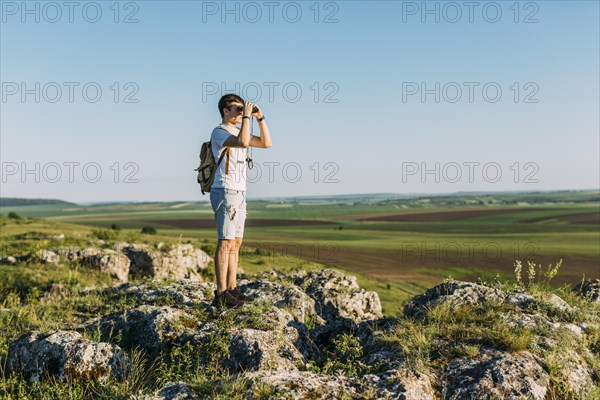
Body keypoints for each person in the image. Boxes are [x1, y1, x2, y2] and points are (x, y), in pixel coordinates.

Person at [209, 94, 272, 308]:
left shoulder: (238, 130)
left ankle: (233, 289)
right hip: (225, 190)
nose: (239, 112)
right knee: (225, 241)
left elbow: (266, 143)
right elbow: (244, 142)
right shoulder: (219, 132)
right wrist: (246, 116)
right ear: (225, 111)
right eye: (236, 108)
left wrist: (260, 118)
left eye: (241, 108)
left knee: (236, 242)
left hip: (240, 192)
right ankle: (221, 293)